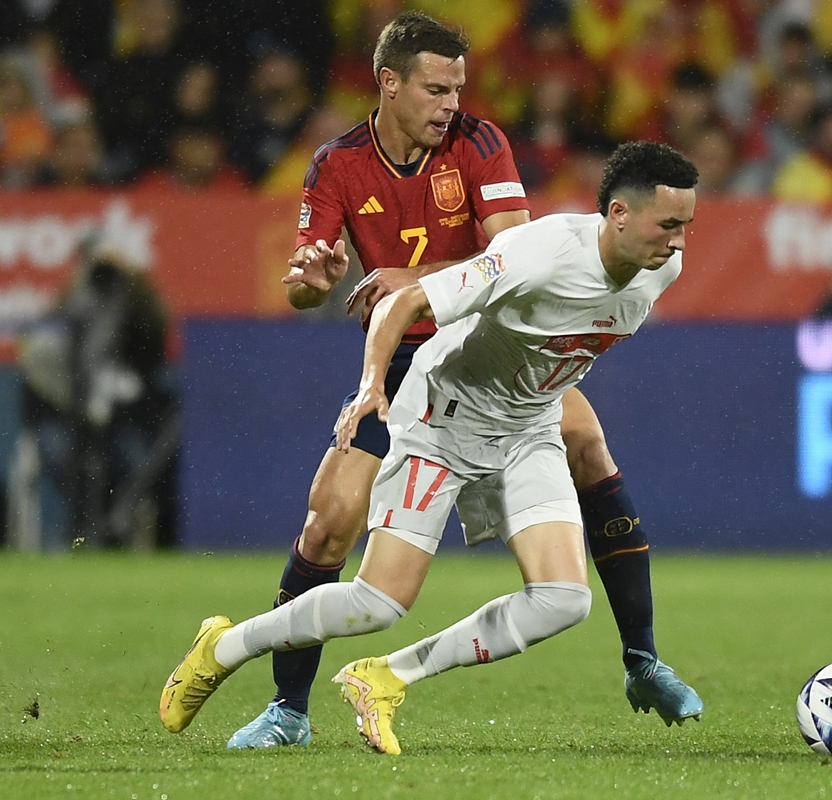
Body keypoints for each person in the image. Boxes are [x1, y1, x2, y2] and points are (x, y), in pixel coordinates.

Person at [221, 11, 701, 750]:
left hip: (490, 345)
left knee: (586, 443)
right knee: (331, 519)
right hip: (405, 359)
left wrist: (413, 278)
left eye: (457, 88)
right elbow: (304, 289)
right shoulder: (336, 164)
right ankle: (289, 707)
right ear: (389, 83)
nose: (452, 104)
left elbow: (512, 259)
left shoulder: (480, 144)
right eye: (437, 89)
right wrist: (313, 282)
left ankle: (642, 657)